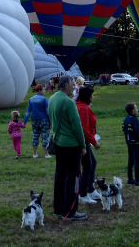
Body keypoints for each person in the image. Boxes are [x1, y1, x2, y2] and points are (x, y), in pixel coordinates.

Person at [49, 75, 87, 220]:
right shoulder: (69, 102)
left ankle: (58, 208)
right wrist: (83, 145)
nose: (74, 87)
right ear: (65, 86)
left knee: (60, 176)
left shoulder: (52, 98)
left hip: (58, 143)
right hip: (71, 145)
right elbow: (77, 127)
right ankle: (70, 211)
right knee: (73, 178)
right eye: (72, 84)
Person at [76, 86, 102, 204]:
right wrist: (94, 142)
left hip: (85, 141)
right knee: (87, 167)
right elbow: (84, 130)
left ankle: (90, 190)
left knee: (92, 163)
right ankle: (82, 193)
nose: (93, 97)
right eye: (92, 95)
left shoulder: (83, 106)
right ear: (87, 97)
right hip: (83, 142)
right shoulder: (83, 109)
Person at [23, 84, 51, 159]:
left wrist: (25, 122)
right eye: (43, 89)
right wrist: (50, 122)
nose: (44, 91)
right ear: (40, 90)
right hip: (44, 120)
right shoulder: (44, 99)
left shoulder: (31, 99)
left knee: (35, 136)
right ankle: (46, 154)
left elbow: (28, 112)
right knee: (45, 137)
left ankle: (34, 154)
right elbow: (48, 112)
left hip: (34, 120)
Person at [122, 102, 139, 186]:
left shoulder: (125, 119)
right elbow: (138, 131)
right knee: (137, 162)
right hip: (136, 142)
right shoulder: (135, 120)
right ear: (132, 111)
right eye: (136, 108)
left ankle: (130, 179)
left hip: (128, 142)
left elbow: (124, 130)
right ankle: (138, 180)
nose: (137, 109)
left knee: (130, 161)